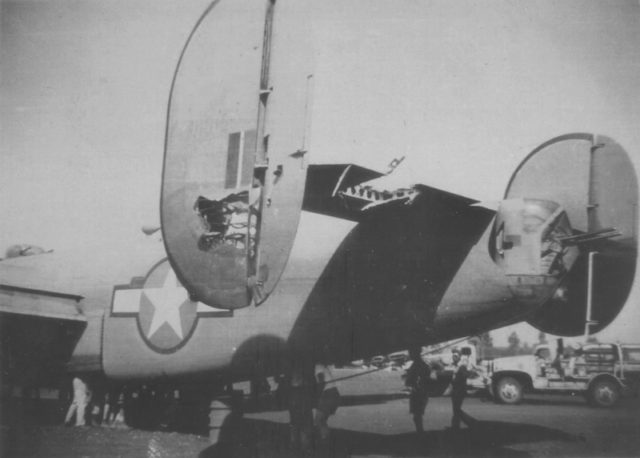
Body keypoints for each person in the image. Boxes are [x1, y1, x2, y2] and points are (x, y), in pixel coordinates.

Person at [288, 367, 315, 452]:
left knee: (295, 428)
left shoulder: (294, 392)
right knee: (303, 428)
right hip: (302, 411)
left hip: (297, 411)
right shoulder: (304, 390)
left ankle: (295, 447)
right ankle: (305, 447)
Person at [404, 346, 431, 433]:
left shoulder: (418, 365)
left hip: (419, 393)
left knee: (417, 416)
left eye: (411, 352)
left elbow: (419, 379)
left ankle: (420, 433)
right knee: (417, 416)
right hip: (419, 392)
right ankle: (420, 432)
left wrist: (410, 381)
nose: (410, 354)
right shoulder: (419, 364)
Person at [314, 363, 340, 441]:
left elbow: (321, 382)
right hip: (333, 393)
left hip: (328, 394)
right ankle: (325, 438)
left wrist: (317, 397)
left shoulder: (318, 366)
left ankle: (325, 439)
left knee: (318, 420)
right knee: (322, 420)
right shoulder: (321, 366)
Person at [450, 348, 475, 431]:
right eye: (453, 356)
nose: (454, 357)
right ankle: (455, 425)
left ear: (459, 357)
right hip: (455, 390)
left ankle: (468, 422)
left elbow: (465, 375)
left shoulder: (461, 366)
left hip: (459, 390)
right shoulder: (455, 365)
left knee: (456, 409)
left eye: (456, 356)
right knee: (455, 409)